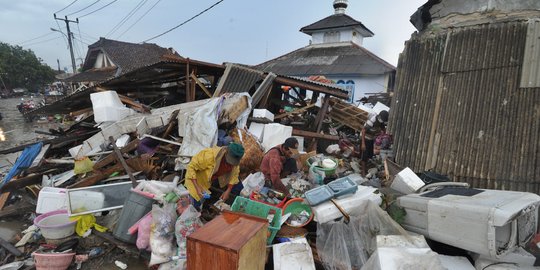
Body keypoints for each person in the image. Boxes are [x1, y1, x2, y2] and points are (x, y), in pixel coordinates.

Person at [361, 110, 389, 174]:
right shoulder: (372, 120)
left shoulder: (381, 121)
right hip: (365, 137)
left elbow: (383, 129)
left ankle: (366, 166)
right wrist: (363, 144)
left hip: (371, 138)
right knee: (364, 154)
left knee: (370, 153)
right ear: (379, 116)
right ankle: (363, 171)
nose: (383, 121)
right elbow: (363, 131)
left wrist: (384, 136)